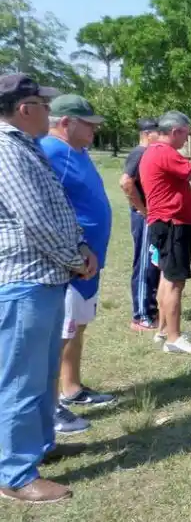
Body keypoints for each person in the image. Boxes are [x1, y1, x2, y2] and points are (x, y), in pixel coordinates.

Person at [0, 74, 97, 503]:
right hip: (25, 281)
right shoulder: (7, 150)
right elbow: (36, 220)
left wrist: (78, 244)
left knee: (41, 374)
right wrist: (76, 258)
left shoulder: (26, 147)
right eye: (43, 104)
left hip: (46, 277)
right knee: (20, 379)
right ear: (24, 108)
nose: (49, 112)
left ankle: (38, 448)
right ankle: (15, 474)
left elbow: (57, 209)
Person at [40, 95, 114, 438]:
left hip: (88, 261)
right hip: (69, 262)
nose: (96, 129)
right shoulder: (50, 151)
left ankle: (72, 387)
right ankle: (50, 404)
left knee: (77, 327)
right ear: (65, 122)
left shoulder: (79, 152)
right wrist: (75, 249)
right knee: (60, 332)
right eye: (89, 123)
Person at [139, 111, 191, 354]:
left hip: (163, 223)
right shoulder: (165, 153)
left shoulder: (152, 151)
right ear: (175, 131)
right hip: (173, 224)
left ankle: (164, 330)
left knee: (166, 278)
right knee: (175, 281)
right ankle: (174, 338)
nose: (186, 140)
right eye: (186, 135)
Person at [120, 118, 161, 333]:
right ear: (147, 134)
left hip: (150, 215)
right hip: (144, 216)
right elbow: (126, 182)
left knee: (153, 262)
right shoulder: (140, 152)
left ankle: (151, 309)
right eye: (158, 132)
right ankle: (142, 316)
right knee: (144, 263)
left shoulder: (147, 153)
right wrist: (143, 210)